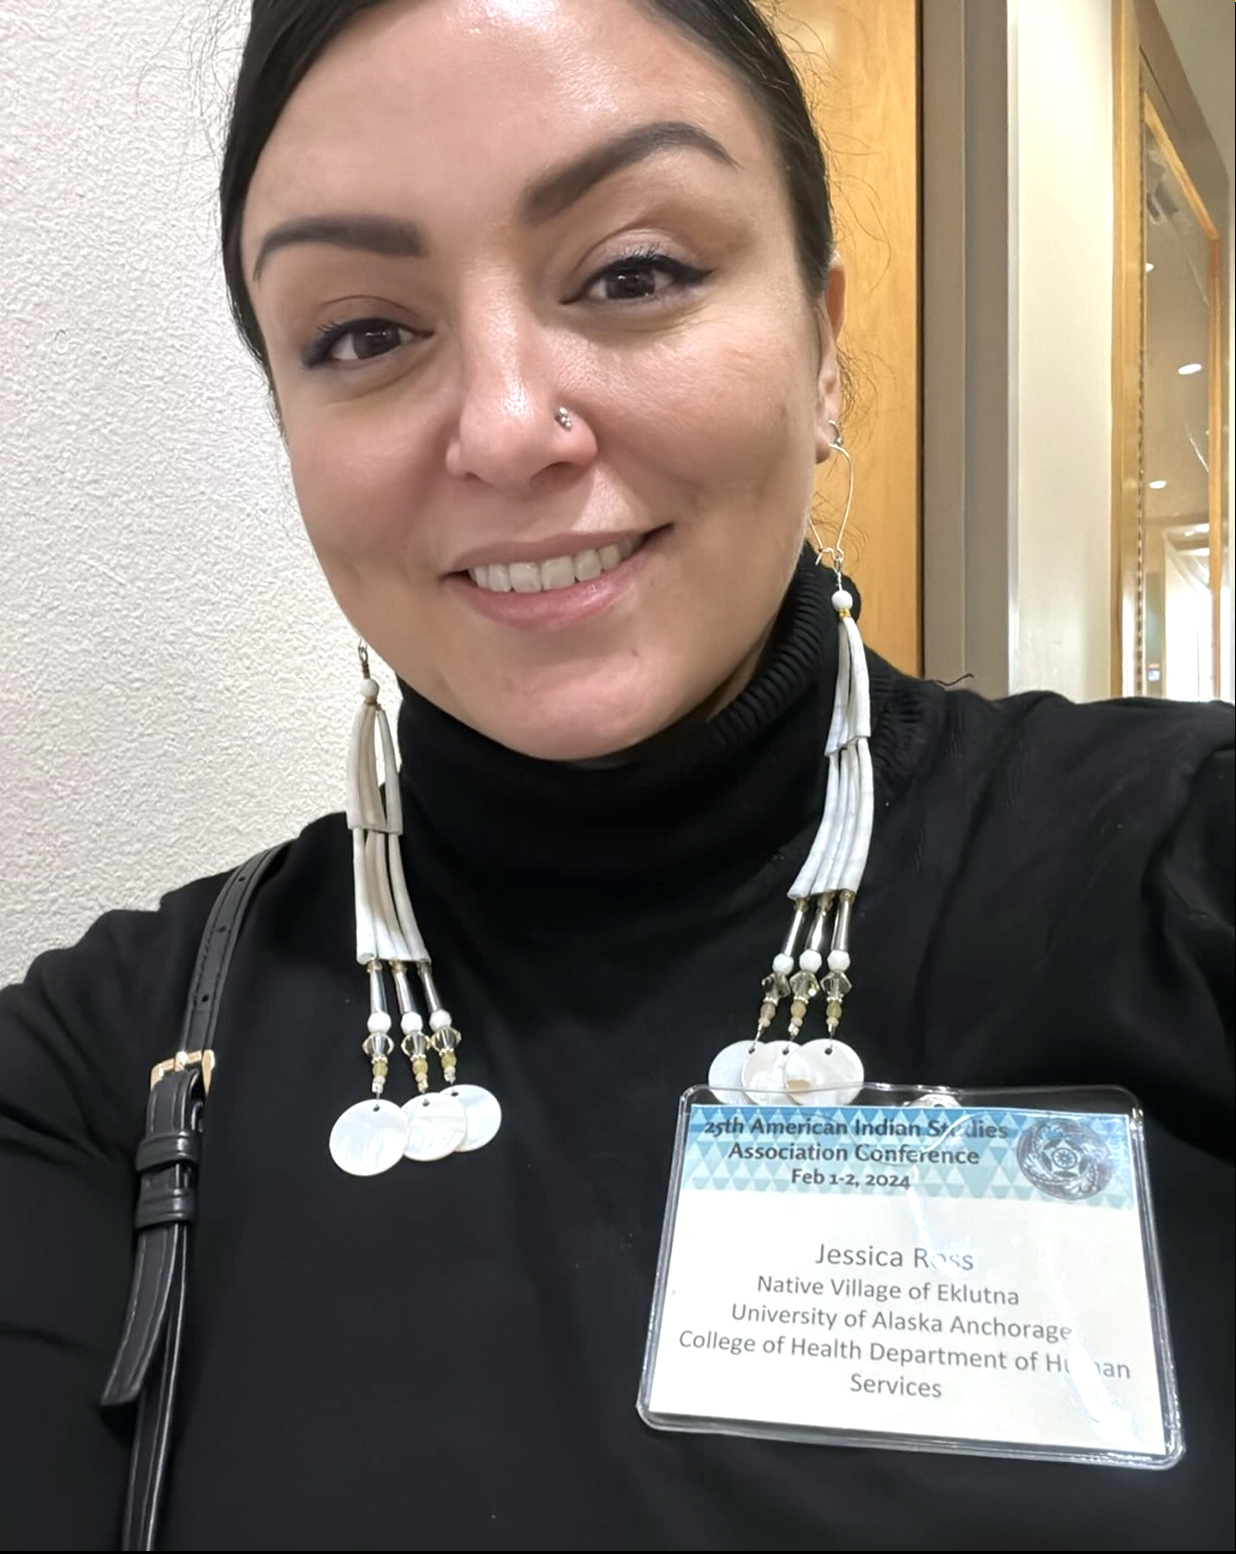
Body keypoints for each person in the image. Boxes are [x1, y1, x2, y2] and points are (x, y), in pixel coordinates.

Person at [0, 1, 1231, 1549]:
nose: (508, 429)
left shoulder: (1179, 883)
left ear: (826, 342)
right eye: (365, 333)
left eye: (634, 272)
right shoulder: (105, 1067)